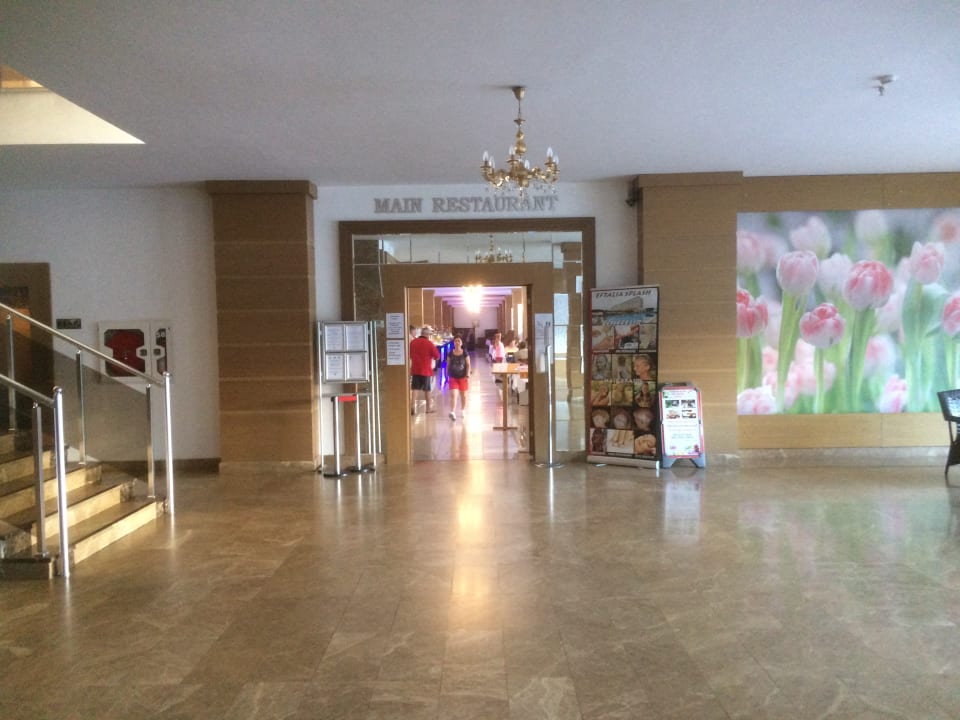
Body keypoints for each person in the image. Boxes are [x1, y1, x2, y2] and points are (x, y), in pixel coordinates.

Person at [410, 325, 440, 415]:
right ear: (427, 335)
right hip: (426, 369)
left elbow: (409, 354)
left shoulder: (413, 342)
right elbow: (437, 356)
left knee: (415, 388)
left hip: (415, 368)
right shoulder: (429, 343)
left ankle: (412, 406)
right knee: (427, 390)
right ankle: (428, 409)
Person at [446, 333, 471, 420]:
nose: (457, 342)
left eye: (459, 341)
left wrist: (467, 375)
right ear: (454, 342)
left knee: (463, 395)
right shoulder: (450, 353)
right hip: (453, 377)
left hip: (463, 377)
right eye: (455, 341)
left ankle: (463, 410)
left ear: (461, 343)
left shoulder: (465, 353)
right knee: (453, 395)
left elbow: (468, 364)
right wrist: (447, 375)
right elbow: (448, 365)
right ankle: (452, 412)